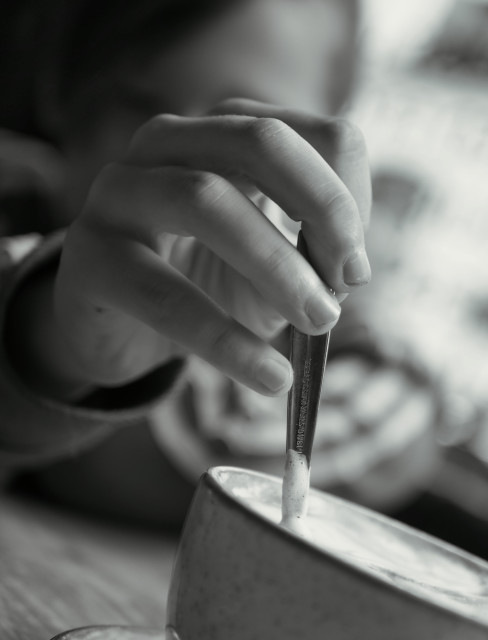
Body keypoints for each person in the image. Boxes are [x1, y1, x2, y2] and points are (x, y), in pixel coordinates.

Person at [0, 0, 438, 528]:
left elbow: (397, 412)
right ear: (59, 97)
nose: (188, 166)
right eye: (140, 106)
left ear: (323, 146)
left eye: (247, 124)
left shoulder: (339, 318)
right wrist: (47, 340)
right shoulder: (14, 195)